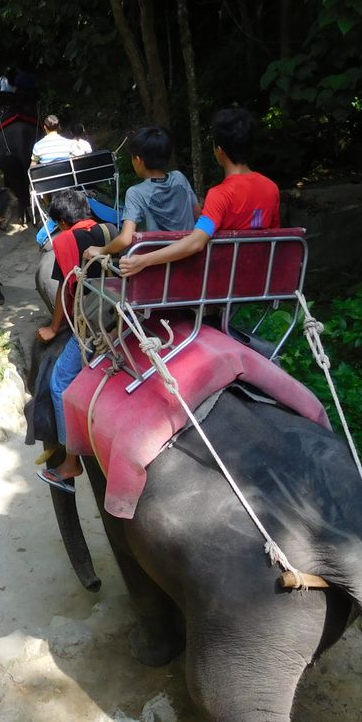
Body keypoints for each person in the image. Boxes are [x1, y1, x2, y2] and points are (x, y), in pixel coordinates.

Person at [118, 109, 279, 278]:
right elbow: (274, 236)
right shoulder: (271, 188)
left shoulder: (220, 195)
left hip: (222, 279)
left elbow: (196, 242)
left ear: (219, 150)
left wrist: (143, 260)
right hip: (261, 277)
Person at [35, 190, 108, 492]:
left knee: (59, 382)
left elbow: (67, 290)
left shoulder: (65, 241)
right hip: (123, 313)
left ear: (62, 222)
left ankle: (70, 461)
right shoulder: (108, 230)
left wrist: (54, 328)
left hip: (95, 323)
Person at [84, 126, 198, 262]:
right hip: (190, 258)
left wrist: (101, 250)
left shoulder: (136, 193)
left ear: (138, 160)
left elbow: (125, 239)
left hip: (155, 264)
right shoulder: (180, 178)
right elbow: (197, 213)